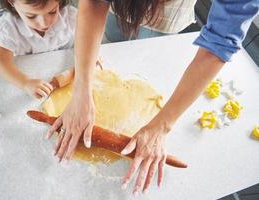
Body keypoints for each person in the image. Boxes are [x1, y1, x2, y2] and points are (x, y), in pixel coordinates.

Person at [46, 0, 259, 195]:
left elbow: (219, 43)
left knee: (150, 40)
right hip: (118, 7)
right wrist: (82, 91)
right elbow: (94, 3)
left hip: (168, 15)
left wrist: (162, 125)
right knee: (115, 33)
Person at [0, 0, 77, 99]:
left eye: (52, 11)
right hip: (26, 75)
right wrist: (25, 83)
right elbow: (2, 61)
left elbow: (86, 39)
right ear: (12, 3)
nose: (44, 23)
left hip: (64, 69)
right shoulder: (10, 28)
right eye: (31, 16)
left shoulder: (71, 17)